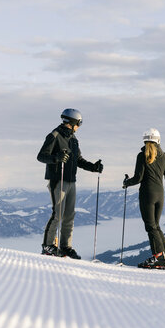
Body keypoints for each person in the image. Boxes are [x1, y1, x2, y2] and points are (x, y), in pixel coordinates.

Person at [37, 108, 103, 259]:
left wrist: (93, 167)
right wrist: (56, 157)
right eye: (79, 123)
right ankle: (47, 246)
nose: (79, 127)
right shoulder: (54, 135)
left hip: (71, 181)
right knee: (57, 214)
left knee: (69, 216)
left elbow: (78, 160)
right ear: (73, 122)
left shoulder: (73, 140)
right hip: (57, 180)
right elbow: (41, 156)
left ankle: (65, 246)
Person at [122, 128, 165, 268]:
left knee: (150, 227)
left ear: (145, 140)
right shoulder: (164, 156)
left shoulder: (142, 155)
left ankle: (159, 258)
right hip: (161, 194)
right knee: (156, 226)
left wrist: (126, 183)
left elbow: (138, 178)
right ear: (158, 140)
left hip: (147, 194)